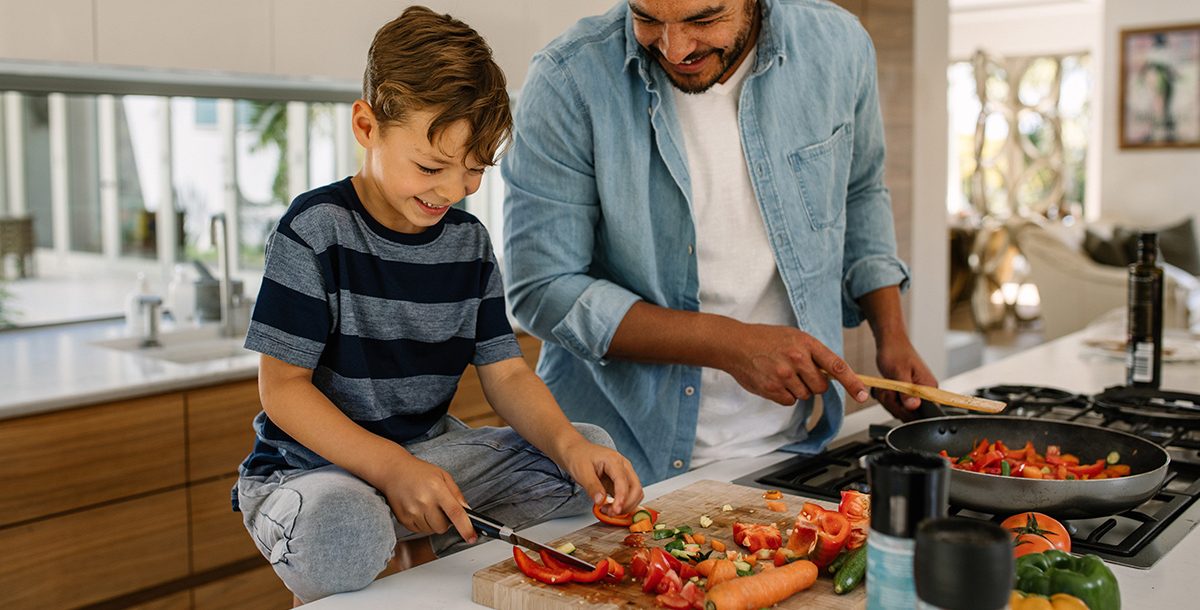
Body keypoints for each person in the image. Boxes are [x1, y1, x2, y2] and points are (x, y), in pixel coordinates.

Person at [233, 6, 642, 604]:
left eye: (474, 171)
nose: (452, 191)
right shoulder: (315, 229)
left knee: (582, 455)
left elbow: (505, 373)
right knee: (343, 527)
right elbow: (284, 389)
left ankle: (410, 534)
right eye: (431, 166)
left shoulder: (467, 241)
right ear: (367, 127)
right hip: (312, 470)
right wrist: (391, 471)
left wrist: (570, 446)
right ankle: (395, 534)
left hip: (427, 454)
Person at [502, 0, 936, 485]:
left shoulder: (838, 46)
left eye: (702, 20)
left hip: (790, 453)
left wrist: (890, 333)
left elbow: (860, 190)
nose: (674, 48)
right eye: (646, 19)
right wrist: (729, 343)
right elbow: (541, 289)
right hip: (615, 466)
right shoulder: (569, 80)